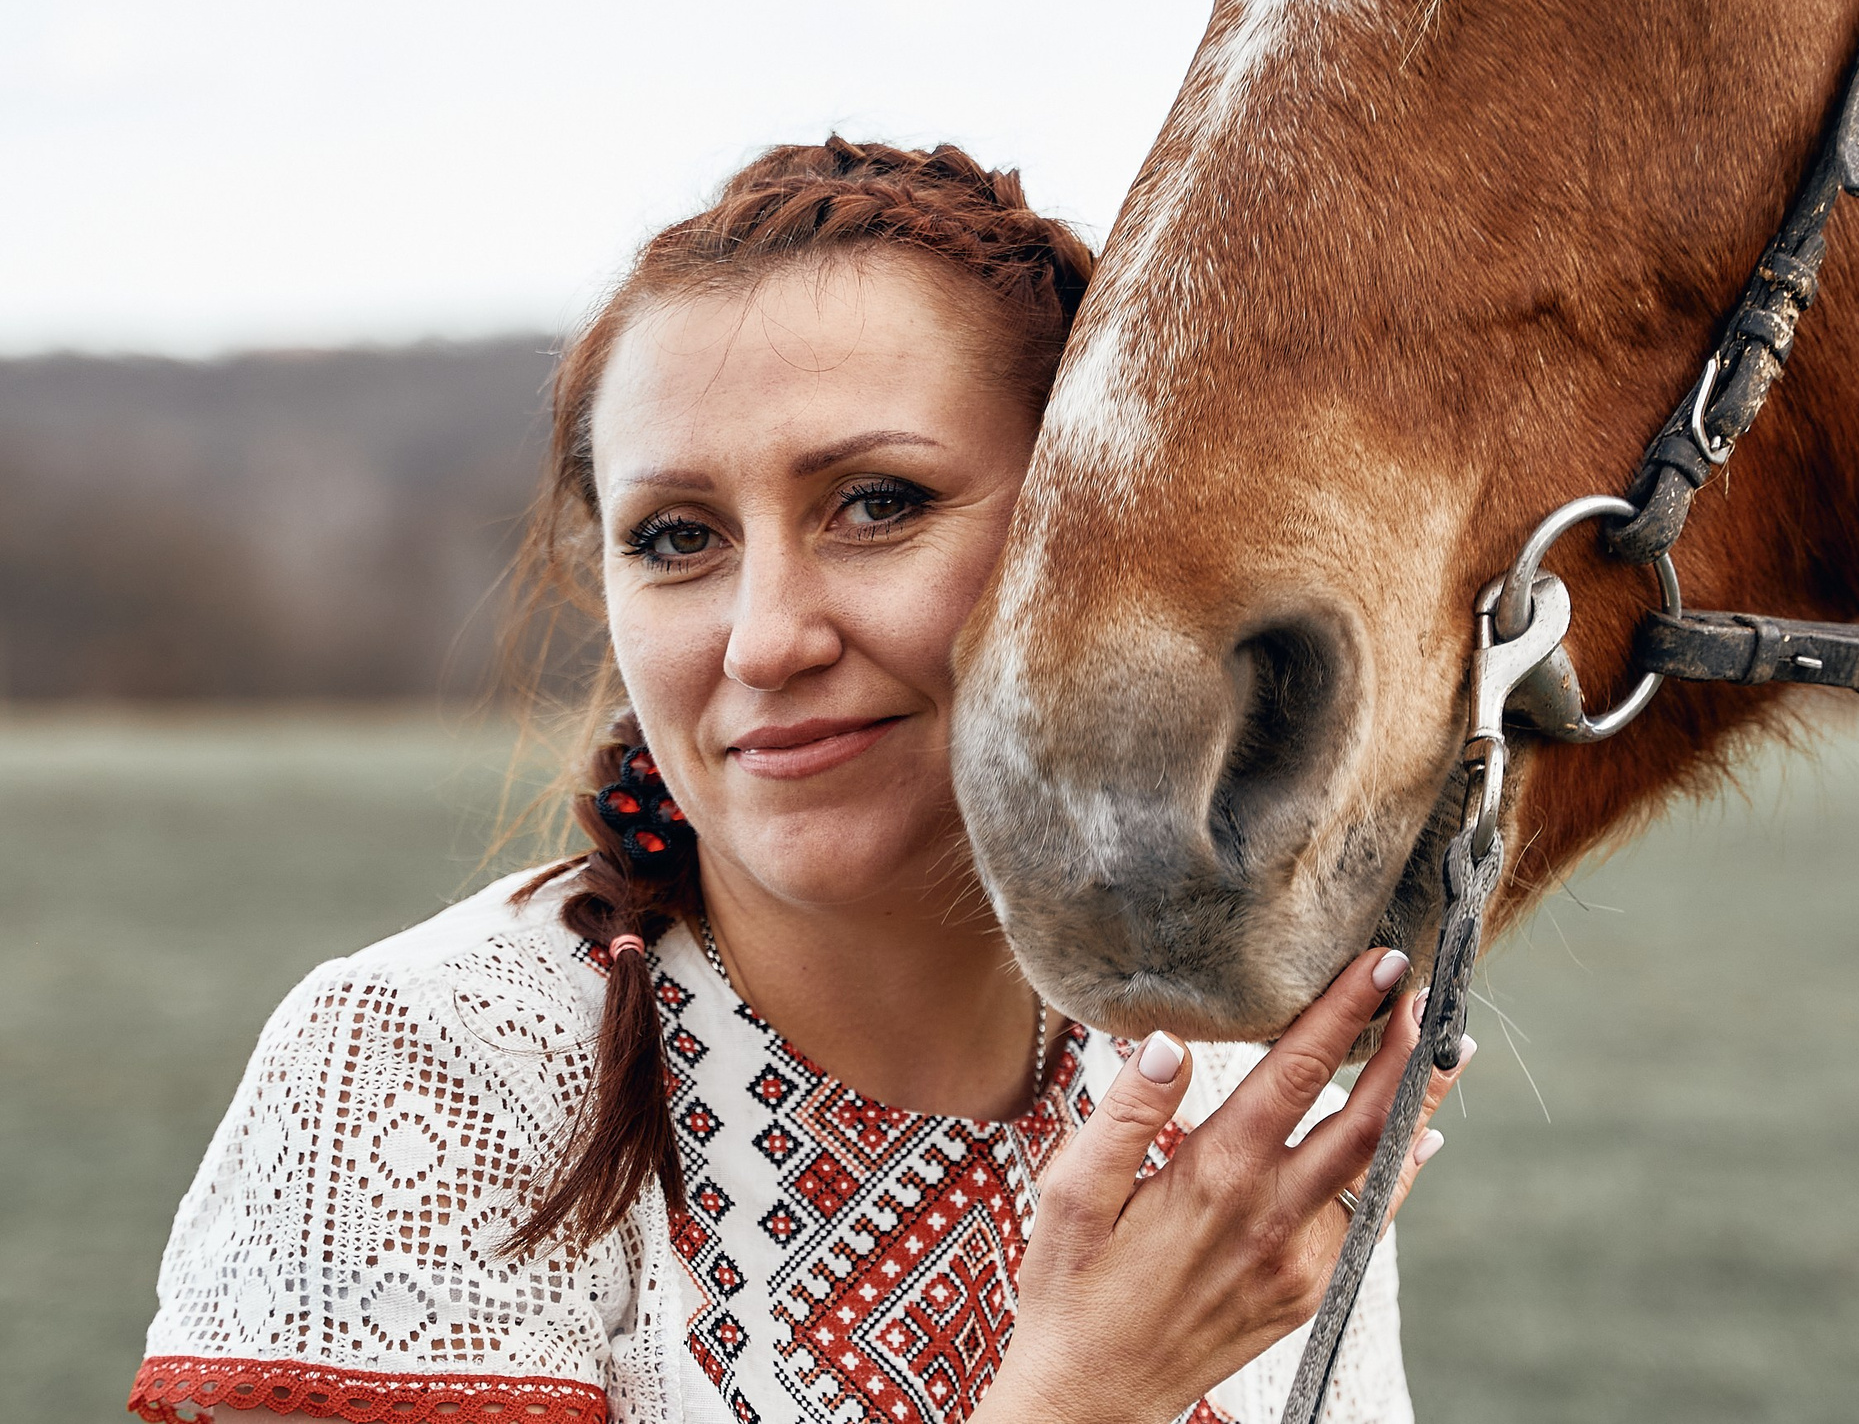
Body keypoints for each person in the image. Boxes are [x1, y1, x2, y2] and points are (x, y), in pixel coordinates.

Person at [128, 140, 1464, 1424]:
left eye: (876, 503)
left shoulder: (1231, 1116)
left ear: (1093, 530)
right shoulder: (433, 1070)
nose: (767, 639)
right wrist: (1087, 1396)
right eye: (677, 538)